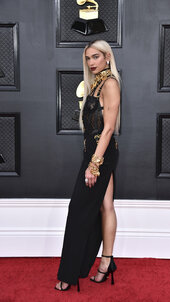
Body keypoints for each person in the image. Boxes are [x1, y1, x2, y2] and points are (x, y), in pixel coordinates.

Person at [55, 39, 120, 292]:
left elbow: (109, 129)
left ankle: (69, 274)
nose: (91, 62)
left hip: (100, 155)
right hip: (95, 152)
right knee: (105, 206)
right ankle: (106, 263)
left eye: (95, 57)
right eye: (88, 59)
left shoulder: (111, 84)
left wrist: (94, 165)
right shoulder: (95, 85)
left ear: (107, 57)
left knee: (79, 212)